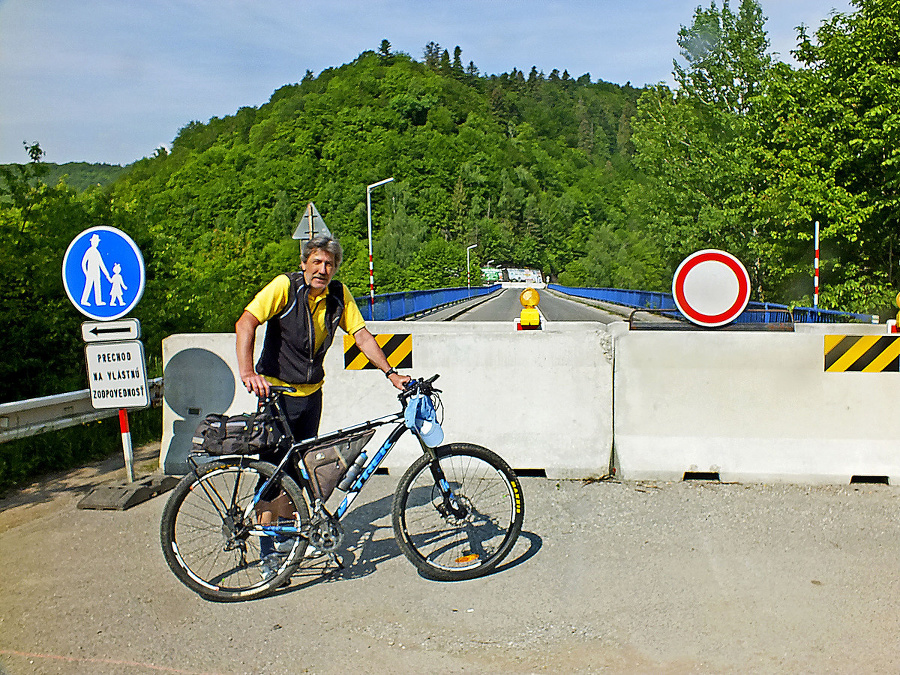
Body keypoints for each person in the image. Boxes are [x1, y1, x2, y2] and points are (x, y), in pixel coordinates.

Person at [235, 234, 410, 577]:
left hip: (311, 396)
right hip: (278, 396)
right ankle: (270, 552)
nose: (322, 269)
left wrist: (390, 373)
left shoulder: (338, 295)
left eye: (329, 264)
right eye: (316, 262)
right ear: (304, 264)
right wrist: (247, 371)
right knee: (274, 475)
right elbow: (246, 323)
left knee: (299, 471)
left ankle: (289, 539)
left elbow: (360, 335)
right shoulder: (285, 287)